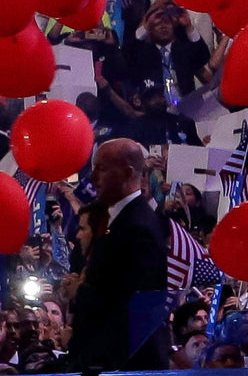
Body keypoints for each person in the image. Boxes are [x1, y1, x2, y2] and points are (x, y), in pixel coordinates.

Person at [68, 139, 171, 369]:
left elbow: (132, 301)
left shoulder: (137, 226)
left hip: (126, 363)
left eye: (101, 169)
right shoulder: (117, 218)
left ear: (126, 173)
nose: (93, 177)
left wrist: (81, 291)